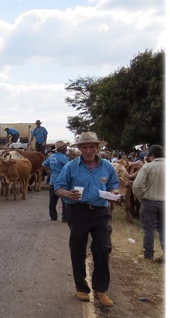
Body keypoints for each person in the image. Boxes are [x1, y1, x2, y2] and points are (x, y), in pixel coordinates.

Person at [55, 132, 121, 307]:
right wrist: (67, 193)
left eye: (92, 147)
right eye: (84, 147)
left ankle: (101, 290)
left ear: (98, 147)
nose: (88, 150)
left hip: (101, 213)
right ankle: (82, 288)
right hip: (78, 212)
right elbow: (58, 188)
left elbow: (113, 185)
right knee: (78, 250)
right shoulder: (70, 167)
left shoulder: (107, 166)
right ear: (79, 149)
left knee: (103, 249)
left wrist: (113, 193)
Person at [132, 144, 165, 263]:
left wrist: (141, 198)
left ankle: (148, 256)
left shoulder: (148, 167)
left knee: (148, 229)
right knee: (164, 228)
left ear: (152, 155)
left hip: (149, 201)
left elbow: (137, 185)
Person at [43, 140, 70, 222]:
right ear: (62, 149)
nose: (66, 149)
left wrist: (48, 172)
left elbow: (44, 164)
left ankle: (53, 216)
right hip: (62, 181)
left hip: (53, 180)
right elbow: (69, 168)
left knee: (52, 200)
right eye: (65, 148)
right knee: (65, 200)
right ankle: (65, 217)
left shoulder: (51, 157)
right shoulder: (64, 158)